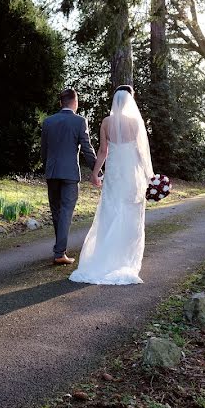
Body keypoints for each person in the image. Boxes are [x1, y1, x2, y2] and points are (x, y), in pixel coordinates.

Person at [69, 85, 153, 285]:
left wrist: (96, 172)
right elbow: (142, 153)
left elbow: (103, 151)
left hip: (114, 173)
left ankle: (104, 257)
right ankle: (125, 259)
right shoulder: (136, 123)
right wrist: (149, 177)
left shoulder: (106, 122)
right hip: (131, 173)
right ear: (130, 102)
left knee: (111, 210)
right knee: (130, 211)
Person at [40, 89, 98, 265]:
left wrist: (47, 167)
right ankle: (59, 252)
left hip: (52, 172)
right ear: (75, 102)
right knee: (66, 211)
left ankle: (59, 249)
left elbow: (44, 150)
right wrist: (97, 170)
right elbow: (87, 149)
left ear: (60, 103)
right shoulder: (80, 121)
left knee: (57, 211)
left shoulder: (48, 121)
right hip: (70, 174)